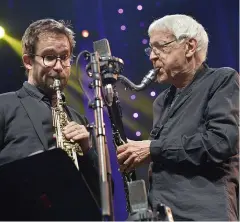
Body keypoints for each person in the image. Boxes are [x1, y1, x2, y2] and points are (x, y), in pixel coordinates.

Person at [117, 14, 239, 221]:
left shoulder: (222, 79)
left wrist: (152, 148)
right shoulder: (162, 101)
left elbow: (220, 142)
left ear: (190, 47)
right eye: (151, 49)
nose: (152, 57)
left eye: (160, 47)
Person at [0, 18, 101, 220]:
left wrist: (88, 151)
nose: (58, 66)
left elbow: (104, 195)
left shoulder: (78, 119)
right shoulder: (4, 105)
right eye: (49, 57)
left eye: (64, 57)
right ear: (28, 61)